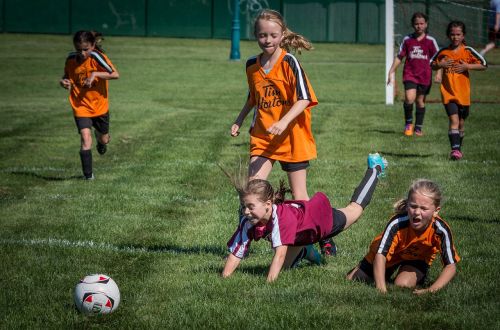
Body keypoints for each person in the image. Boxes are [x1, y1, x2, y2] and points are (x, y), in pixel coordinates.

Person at [230, 9, 334, 255]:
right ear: (256, 35)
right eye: (262, 35)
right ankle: (243, 243)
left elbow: (305, 99)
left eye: (272, 35)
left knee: (300, 197)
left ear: (282, 35)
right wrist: (239, 119)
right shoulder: (251, 66)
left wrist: (284, 121)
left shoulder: (289, 62)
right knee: (251, 190)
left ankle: (321, 239)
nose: (267, 40)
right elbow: (253, 97)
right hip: (264, 137)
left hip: (292, 137)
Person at [222, 153, 387, 282]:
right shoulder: (248, 220)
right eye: (244, 206)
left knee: (355, 210)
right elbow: (237, 252)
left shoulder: (280, 219)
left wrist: (268, 286)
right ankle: (304, 251)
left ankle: (375, 168)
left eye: (250, 207)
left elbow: (279, 255)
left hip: (320, 221)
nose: (246, 212)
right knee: (284, 269)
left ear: (268, 204)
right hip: (299, 236)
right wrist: (225, 279)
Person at [347, 179, 460, 295]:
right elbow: (380, 256)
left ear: (436, 211)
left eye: (424, 208)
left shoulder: (441, 230)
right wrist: (381, 290)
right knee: (353, 279)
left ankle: (414, 273)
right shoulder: (397, 223)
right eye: (413, 206)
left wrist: (431, 290)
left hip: (417, 258)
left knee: (402, 284)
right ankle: (379, 273)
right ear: (407, 206)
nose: (417, 212)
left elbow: (450, 266)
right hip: (388, 257)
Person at [60, 30, 119, 179]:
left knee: (103, 138)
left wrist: (95, 74)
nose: (82, 53)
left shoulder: (97, 57)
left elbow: (114, 74)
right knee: (86, 139)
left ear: (93, 46)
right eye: (79, 49)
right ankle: (88, 178)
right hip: (80, 105)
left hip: (99, 106)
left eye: (86, 50)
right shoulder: (71, 59)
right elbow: (67, 76)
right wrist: (64, 82)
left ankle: (102, 142)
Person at [430, 21, 487, 160]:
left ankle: (458, 149)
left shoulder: (467, 51)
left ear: (463, 35)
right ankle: (454, 150)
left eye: (458, 34)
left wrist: (467, 66)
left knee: (461, 123)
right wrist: (440, 65)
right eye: (452, 34)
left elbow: (484, 65)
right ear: (448, 35)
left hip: (463, 95)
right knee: (454, 120)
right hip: (448, 94)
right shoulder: (443, 52)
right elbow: (432, 64)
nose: (455, 37)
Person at [387, 12, 439, 137]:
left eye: (421, 24)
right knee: (409, 99)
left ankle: (418, 128)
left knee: (420, 101)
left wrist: (439, 72)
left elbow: (438, 58)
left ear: (426, 25)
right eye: (416, 24)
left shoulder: (431, 41)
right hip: (410, 74)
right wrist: (391, 71)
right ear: (412, 24)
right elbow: (400, 57)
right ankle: (409, 125)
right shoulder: (407, 40)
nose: (419, 26)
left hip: (425, 76)